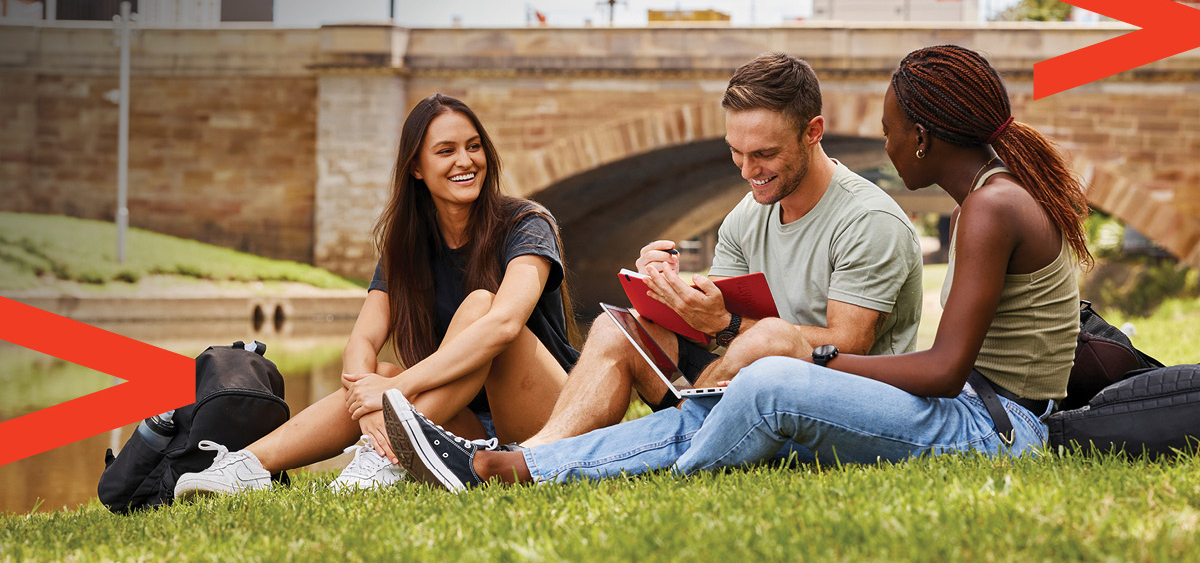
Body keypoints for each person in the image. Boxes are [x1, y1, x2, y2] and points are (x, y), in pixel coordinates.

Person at [386, 44, 1088, 490]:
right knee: (749, 377)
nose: (886, 141)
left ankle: (552, 467)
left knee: (769, 381)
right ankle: (520, 463)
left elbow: (943, 371)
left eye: (890, 129)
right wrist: (715, 320)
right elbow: (946, 370)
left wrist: (799, 354)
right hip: (978, 415)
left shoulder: (989, 206)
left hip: (996, 429)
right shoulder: (992, 198)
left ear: (923, 137)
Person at [174, 94, 580, 497]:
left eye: (473, 147)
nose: (465, 161)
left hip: (549, 419)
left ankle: (385, 456)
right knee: (379, 373)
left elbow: (505, 324)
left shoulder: (526, 222)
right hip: (466, 426)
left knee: (479, 306)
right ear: (416, 168)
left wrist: (396, 390)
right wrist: (367, 401)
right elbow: (363, 340)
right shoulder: (408, 244)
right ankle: (241, 466)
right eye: (446, 151)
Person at [516, 52, 924, 451]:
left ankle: (686, 422)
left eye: (764, 154)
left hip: (839, 406)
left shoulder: (867, 219)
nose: (747, 171)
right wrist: (666, 291)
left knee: (765, 339)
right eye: (736, 152)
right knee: (617, 328)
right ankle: (533, 454)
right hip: (741, 381)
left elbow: (848, 345)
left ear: (813, 131)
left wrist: (727, 324)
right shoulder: (747, 215)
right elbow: (716, 325)